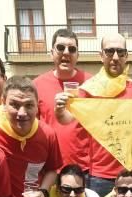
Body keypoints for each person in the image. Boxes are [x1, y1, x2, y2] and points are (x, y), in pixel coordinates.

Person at [55, 33, 132, 197]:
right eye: (110, 52)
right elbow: (66, 118)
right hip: (100, 176)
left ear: (126, 56)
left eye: (120, 52)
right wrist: (59, 110)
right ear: (101, 56)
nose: (115, 57)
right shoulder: (90, 88)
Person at [33, 28, 93, 172]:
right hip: (50, 168)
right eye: (60, 47)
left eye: (71, 49)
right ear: (51, 53)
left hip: (83, 169)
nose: (66, 52)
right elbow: (33, 128)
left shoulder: (91, 83)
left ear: (77, 55)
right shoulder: (36, 85)